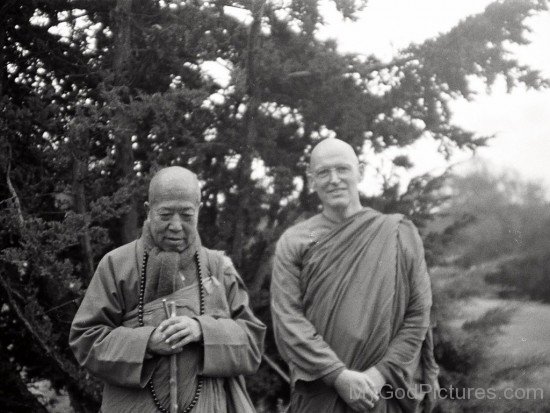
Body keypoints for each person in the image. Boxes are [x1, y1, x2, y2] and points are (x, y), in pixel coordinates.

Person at [70, 166, 266, 413]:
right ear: (148, 211)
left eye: (186, 215)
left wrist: (202, 330)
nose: (176, 226)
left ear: (198, 210)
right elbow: (85, 340)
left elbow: (252, 346)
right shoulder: (117, 264)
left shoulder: (219, 267)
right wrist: (147, 342)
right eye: (165, 214)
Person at [271, 138, 439, 412]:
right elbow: (288, 320)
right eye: (323, 173)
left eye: (343, 169)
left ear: (359, 171)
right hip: (321, 395)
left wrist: (379, 374)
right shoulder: (300, 239)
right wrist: (337, 375)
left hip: (383, 393)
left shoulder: (398, 233)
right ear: (312, 180)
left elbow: (418, 313)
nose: (334, 179)